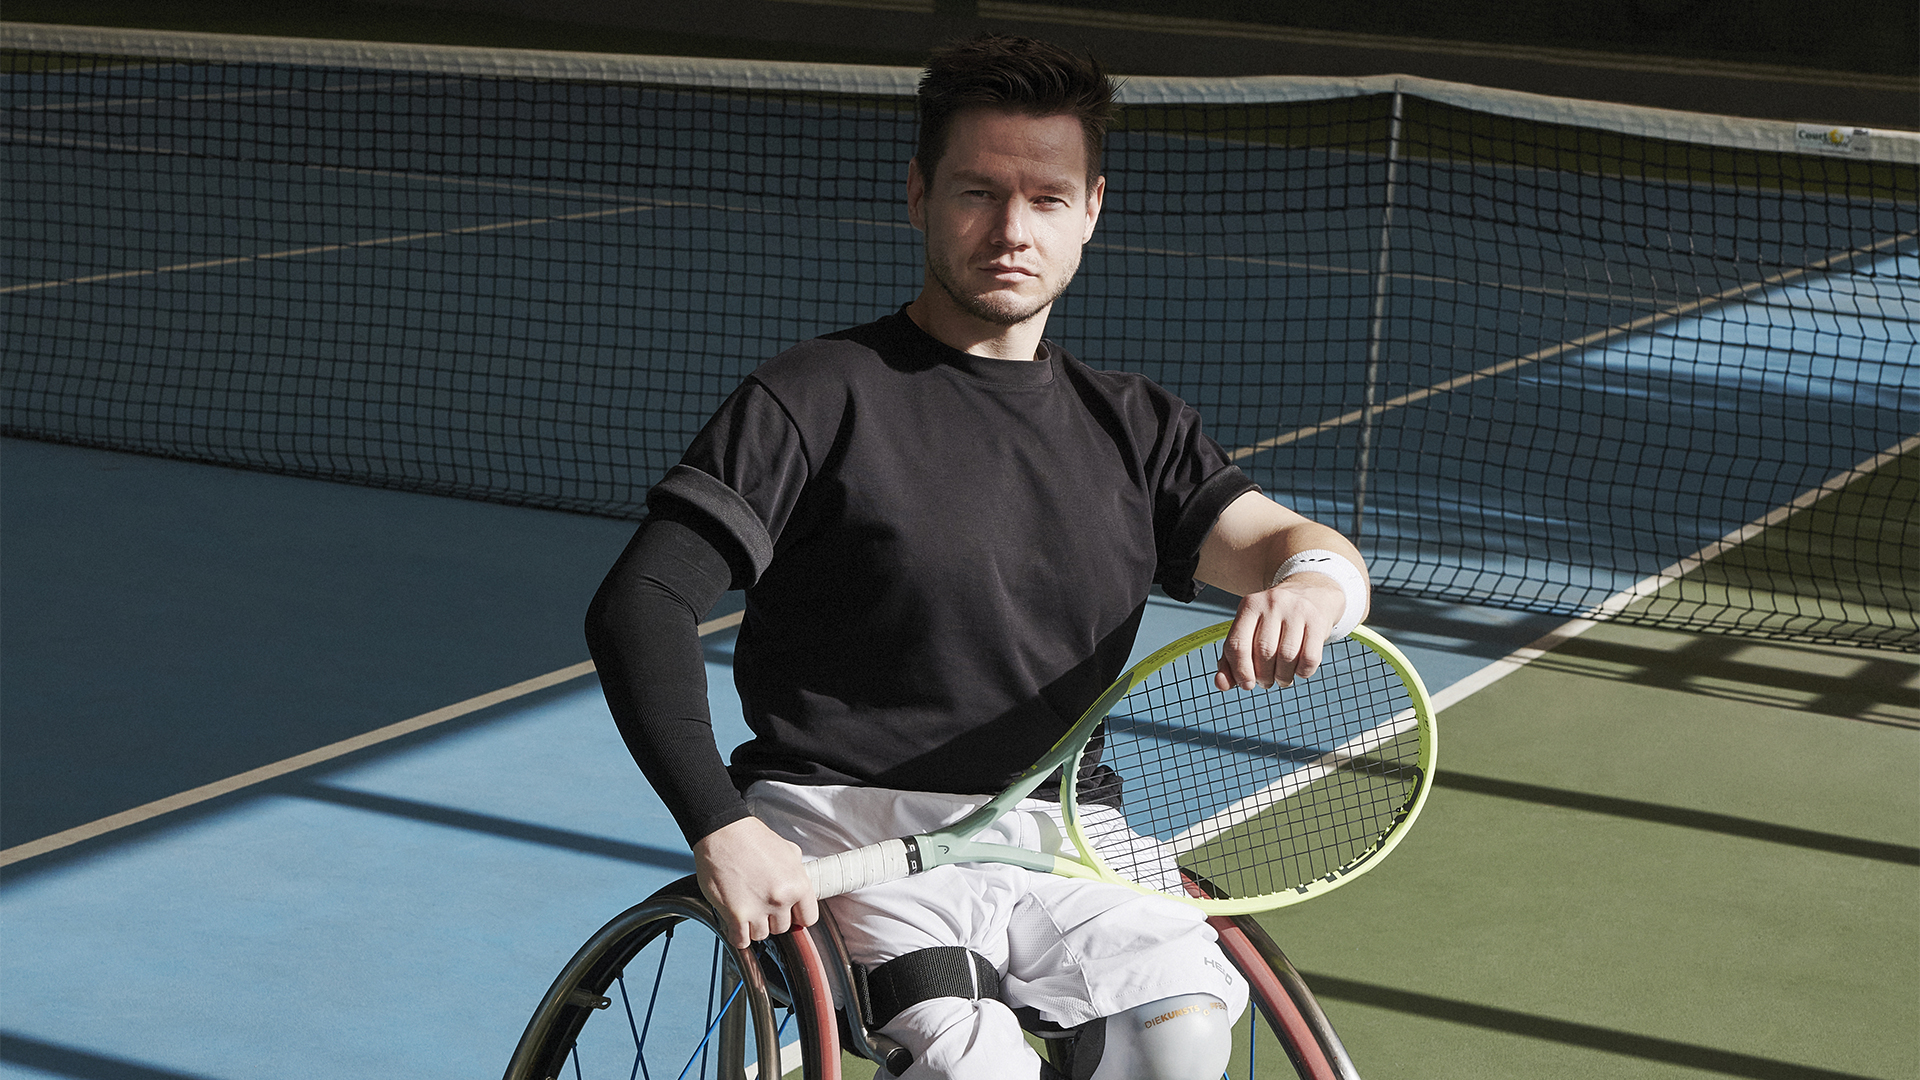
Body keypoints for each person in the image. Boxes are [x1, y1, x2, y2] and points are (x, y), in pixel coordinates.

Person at [585, 33, 1369, 1080]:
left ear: (1091, 208)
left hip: (1065, 832)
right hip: (844, 825)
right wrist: (720, 827)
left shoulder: (1134, 427)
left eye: (1046, 197)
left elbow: (1291, 547)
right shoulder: (816, 398)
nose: (1010, 228)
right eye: (978, 192)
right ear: (918, 195)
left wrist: (1311, 585)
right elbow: (640, 601)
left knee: (1179, 1045)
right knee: (976, 1070)